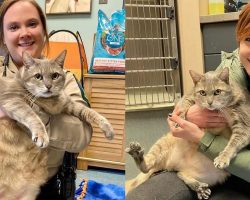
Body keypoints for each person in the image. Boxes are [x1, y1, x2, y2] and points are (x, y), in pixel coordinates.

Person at [126, 4, 250, 200]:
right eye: (248, 40)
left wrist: (202, 139)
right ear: (238, 41)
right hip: (193, 157)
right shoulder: (230, 69)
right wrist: (187, 112)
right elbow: (193, 98)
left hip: (229, 168)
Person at [0, 0, 92, 199]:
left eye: (32, 24)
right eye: (14, 27)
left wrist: (34, 118)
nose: (24, 33)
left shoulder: (63, 79)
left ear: (44, 32)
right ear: (3, 36)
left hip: (41, 186)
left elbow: (83, 135)